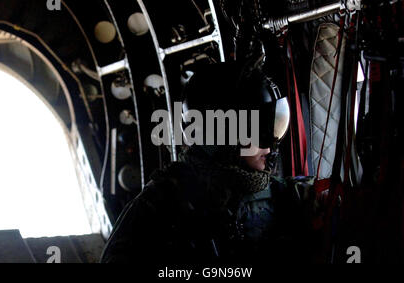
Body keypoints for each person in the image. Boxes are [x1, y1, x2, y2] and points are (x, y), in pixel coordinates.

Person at [100, 62, 317, 264]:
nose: (270, 147)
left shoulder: (284, 196)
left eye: (274, 129)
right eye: (258, 133)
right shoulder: (161, 206)